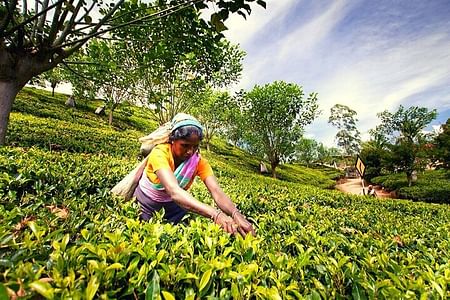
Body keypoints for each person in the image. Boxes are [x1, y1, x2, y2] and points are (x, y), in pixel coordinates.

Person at [134, 113, 255, 237]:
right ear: (172, 140)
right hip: (146, 206)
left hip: (175, 210)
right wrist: (216, 214)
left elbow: (217, 192)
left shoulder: (198, 162)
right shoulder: (160, 153)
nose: (190, 151)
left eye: (195, 146)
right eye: (185, 145)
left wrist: (236, 214)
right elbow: (174, 191)